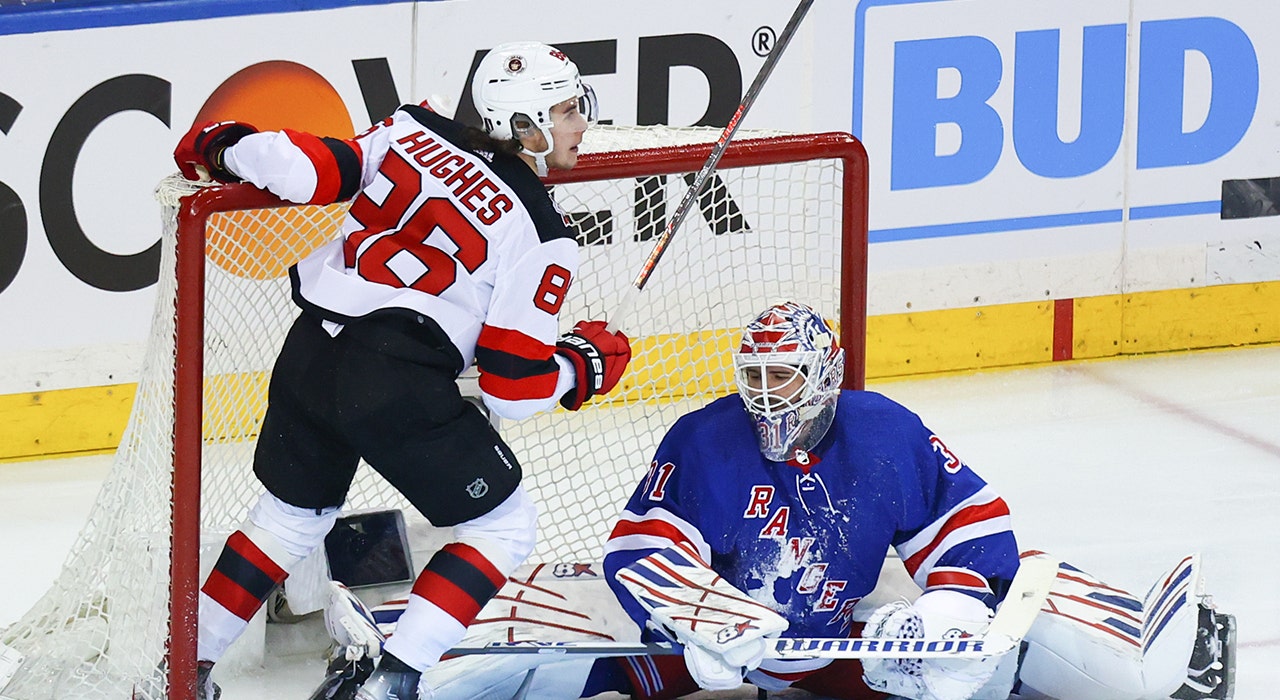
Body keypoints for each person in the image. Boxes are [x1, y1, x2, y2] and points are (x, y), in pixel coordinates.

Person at [308, 301, 1236, 700]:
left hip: (834, 646)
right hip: (711, 648)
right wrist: (706, 613)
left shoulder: (884, 432)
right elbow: (638, 548)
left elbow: (976, 525)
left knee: (983, 662)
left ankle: (1157, 651)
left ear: (826, 372)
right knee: (550, 643)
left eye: (785, 374)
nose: (765, 394)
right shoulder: (708, 438)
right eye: (753, 373)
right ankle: (404, 670)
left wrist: (951, 605)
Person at [169, 41, 631, 700]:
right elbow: (513, 385)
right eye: (563, 111)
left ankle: (183, 671)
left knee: (287, 519)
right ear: (522, 126)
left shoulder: (414, 128)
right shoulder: (539, 230)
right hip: (393, 380)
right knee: (502, 527)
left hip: (310, 356)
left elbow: (307, 169)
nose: (580, 123)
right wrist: (581, 367)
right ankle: (390, 683)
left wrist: (223, 147)